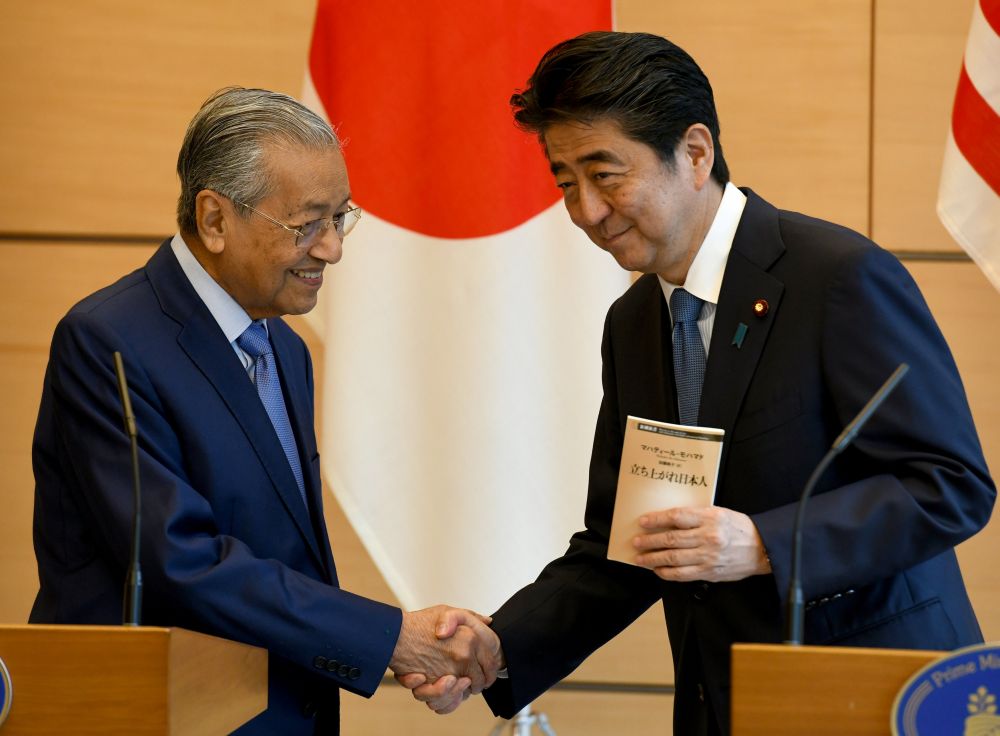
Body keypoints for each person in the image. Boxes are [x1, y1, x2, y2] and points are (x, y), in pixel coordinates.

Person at [403, 31, 996, 734]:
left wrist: (765, 542)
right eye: (565, 182)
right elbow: (628, 544)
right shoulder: (633, 322)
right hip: (726, 703)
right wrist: (499, 648)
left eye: (605, 174)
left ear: (694, 152)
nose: (585, 210)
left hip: (883, 698)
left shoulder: (837, 278)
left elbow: (950, 485)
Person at [29, 86, 500, 735]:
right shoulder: (107, 342)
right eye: (307, 224)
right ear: (216, 219)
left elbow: (284, 556)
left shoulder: (285, 345)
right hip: (160, 714)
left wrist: (385, 642)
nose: (333, 248)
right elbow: (180, 561)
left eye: (342, 217)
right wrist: (387, 638)